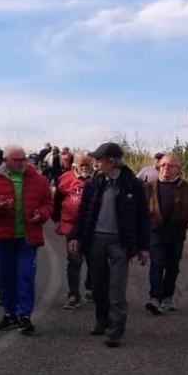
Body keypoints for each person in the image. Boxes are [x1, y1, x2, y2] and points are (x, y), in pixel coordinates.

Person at [67, 142, 150, 348]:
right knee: (97, 285)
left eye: (99, 160)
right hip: (96, 240)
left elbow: (143, 217)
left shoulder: (133, 185)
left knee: (117, 287)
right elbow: (83, 212)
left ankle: (115, 331)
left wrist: (143, 247)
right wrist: (76, 236)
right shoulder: (94, 183)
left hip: (120, 242)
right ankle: (102, 320)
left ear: (111, 162)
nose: (95, 163)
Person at [0, 144, 53, 335]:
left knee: (26, 275)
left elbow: (48, 203)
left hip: (28, 237)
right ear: (5, 161)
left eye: (23, 159)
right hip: (3, 237)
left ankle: (24, 316)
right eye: (16, 160)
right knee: (7, 276)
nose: (21, 163)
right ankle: (10, 313)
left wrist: (41, 214)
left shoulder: (38, 179)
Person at [143, 154, 188, 314]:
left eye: (170, 166)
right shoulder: (149, 187)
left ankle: (167, 297)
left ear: (178, 169)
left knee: (172, 267)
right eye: (163, 165)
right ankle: (155, 298)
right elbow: (140, 208)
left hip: (176, 233)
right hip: (155, 232)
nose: (166, 169)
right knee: (157, 265)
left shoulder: (186, 188)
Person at [52, 151, 94, 308]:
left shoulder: (98, 178)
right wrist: (58, 219)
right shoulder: (65, 178)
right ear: (75, 163)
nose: (85, 167)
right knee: (74, 260)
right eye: (82, 164)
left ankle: (91, 289)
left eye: (88, 164)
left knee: (94, 260)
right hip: (71, 226)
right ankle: (74, 295)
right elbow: (57, 201)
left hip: (92, 227)